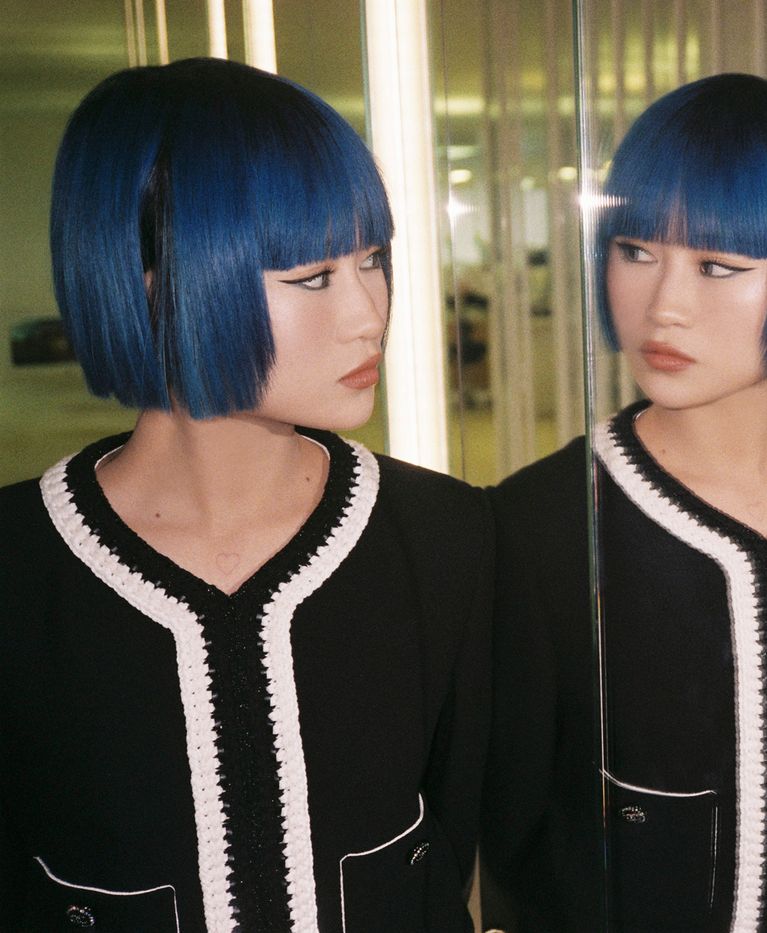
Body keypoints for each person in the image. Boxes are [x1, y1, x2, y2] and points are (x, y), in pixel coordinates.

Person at [0, 58, 492, 933]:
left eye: (373, 260)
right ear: (152, 284)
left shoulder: (446, 537)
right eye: (312, 277)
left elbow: (455, 840)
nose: (369, 313)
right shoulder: (18, 570)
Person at [482, 73, 767, 931]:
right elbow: (519, 845)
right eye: (635, 251)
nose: (663, 306)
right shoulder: (536, 525)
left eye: (717, 265)